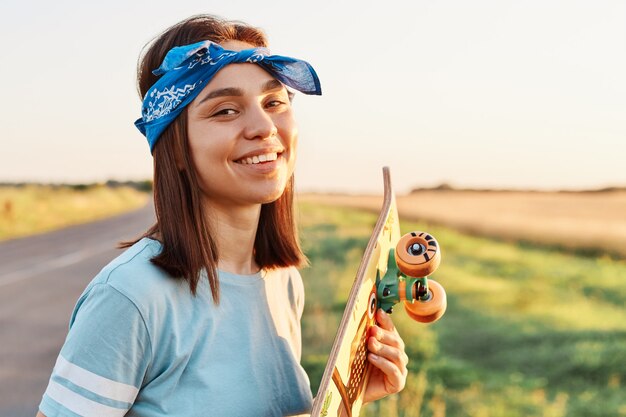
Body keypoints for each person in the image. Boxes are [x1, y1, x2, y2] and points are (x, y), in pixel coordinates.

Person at [37, 14, 409, 417]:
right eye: (226, 111)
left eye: (274, 102)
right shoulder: (131, 298)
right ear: (175, 147)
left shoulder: (282, 282)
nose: (263, 126)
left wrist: (345, 399)